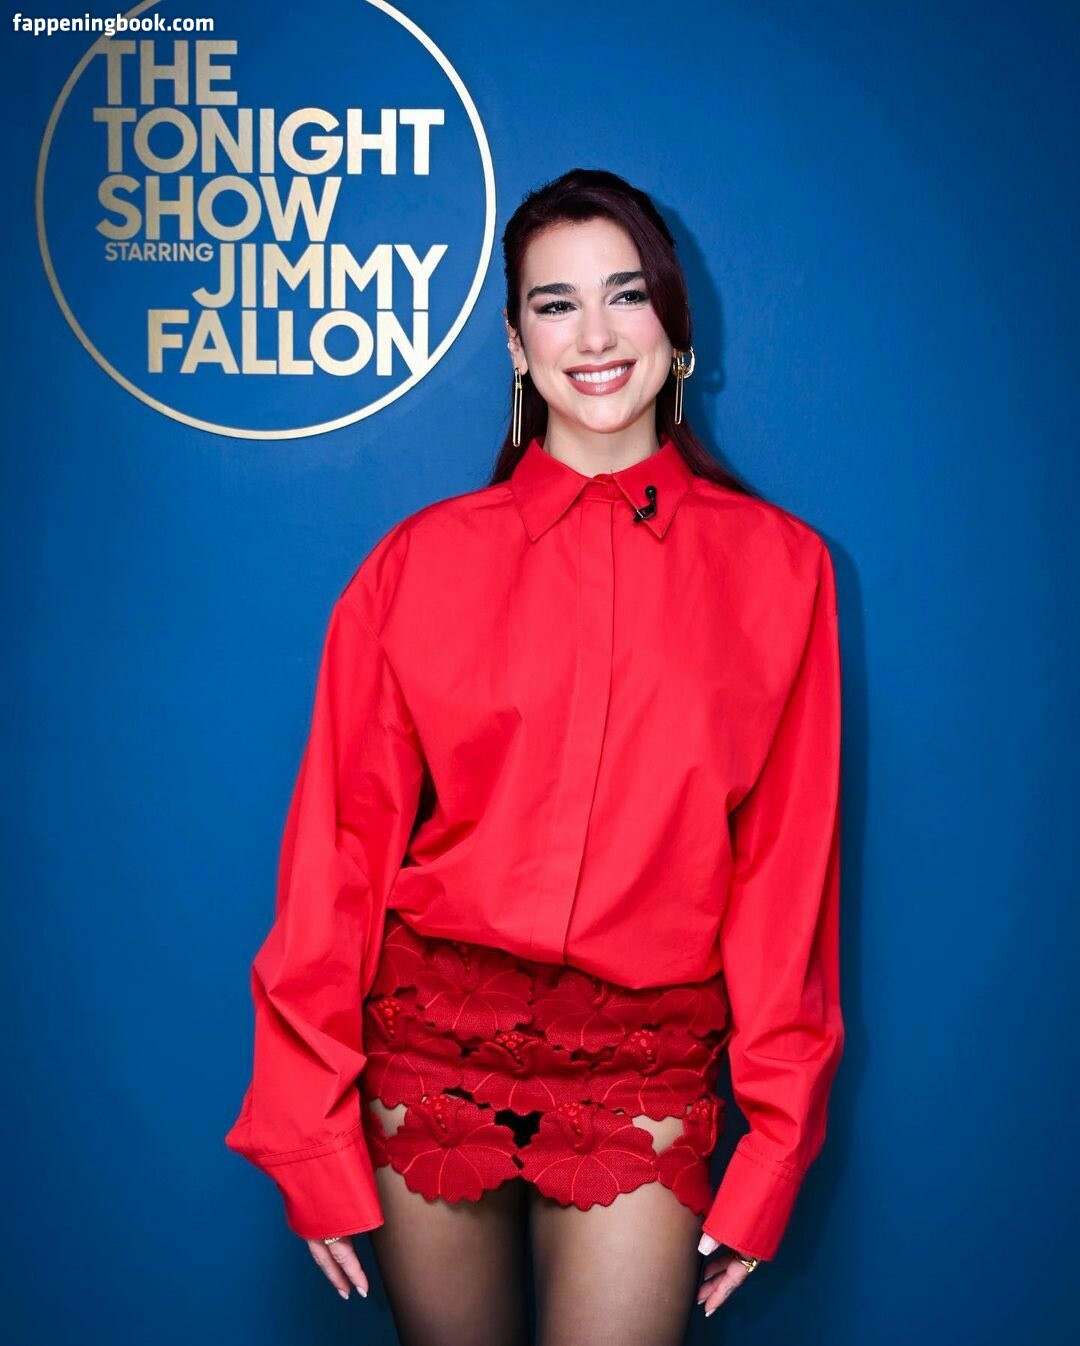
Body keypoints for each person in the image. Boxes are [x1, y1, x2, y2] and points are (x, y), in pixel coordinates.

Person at [224, 167, 845, 1346]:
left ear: (676, 324)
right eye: (556, 305)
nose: (595, 335)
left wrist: (773, 1148)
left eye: (626, 295)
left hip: (642, 1059)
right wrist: (306, 1126)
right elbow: (340, 854)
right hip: (432, 1044)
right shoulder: (417, 563)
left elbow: (785, 878)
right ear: (516, 344)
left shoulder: (782, 570)